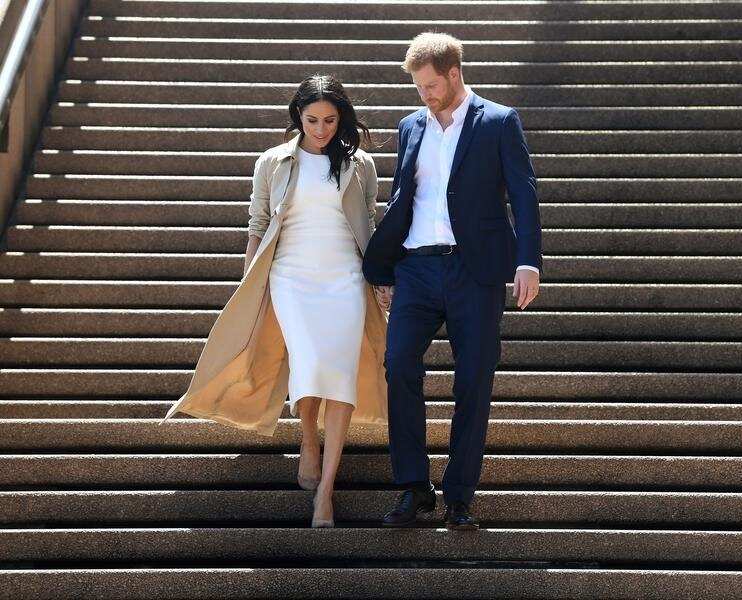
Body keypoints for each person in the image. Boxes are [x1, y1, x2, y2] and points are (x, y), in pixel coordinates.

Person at [159, 74, 389, 529]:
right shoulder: (273, 162)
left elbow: (372, 223)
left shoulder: (360, 164)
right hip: (290, 277)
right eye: (312, 119)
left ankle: (326, 489)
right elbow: (258, 222)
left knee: (338, 374)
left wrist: (381, 276)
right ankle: (308, 438)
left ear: (340, 118)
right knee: (309, 365)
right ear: (297, 118)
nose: (321, 128)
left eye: (329, 119)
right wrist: (252, 281)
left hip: (345, 277)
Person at [363, 32, 542, 530]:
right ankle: (414, 488)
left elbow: (524, 194)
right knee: (398, 363)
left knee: (474, 381)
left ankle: (459, 496)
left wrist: (528, 261)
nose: (423, 94)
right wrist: (385, 266)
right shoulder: (410, 126)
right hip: (417, 268)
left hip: (476, 270)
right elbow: (402, 200)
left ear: (454, 73)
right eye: (417, 87)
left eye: (430, 85)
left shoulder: (500, 122)